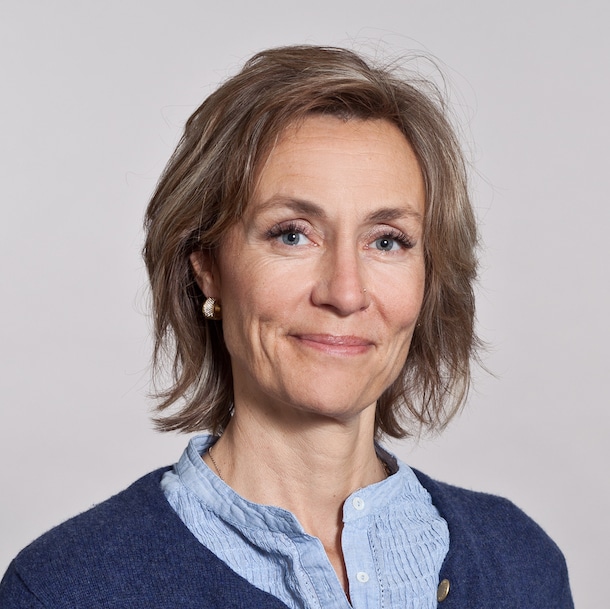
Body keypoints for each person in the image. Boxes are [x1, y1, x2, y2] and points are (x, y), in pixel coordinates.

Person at [0, 45, 573, 609]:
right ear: (208, 268)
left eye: (387, 241)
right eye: (293, 234)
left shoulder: (521, 564)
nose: (345, 293)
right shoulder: (65, 589)